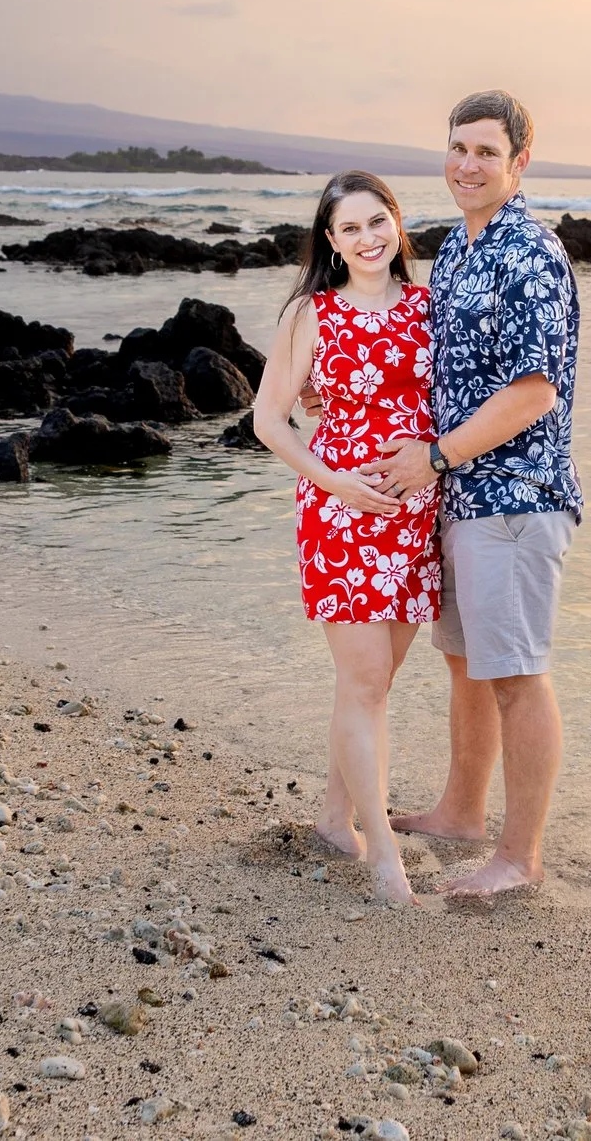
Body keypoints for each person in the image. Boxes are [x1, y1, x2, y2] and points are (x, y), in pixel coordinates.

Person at [365, 90, 582, 899]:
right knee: (465, 662)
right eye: (458, 146)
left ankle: (520, 857)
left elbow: (534, 392)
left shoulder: (529, 253)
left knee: (517, 672)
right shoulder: (458, 247)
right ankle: (461, 812)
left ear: (520, 162)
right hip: (461, 496)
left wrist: (436, 455)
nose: (467, 163)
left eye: (487, 151)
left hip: (514, 498)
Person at [250, 170, 440, 904]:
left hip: (415, 518)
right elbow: (270, 421)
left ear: (397, 222)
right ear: (330, 241)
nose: (367, 238)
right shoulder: (313, 314)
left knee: (373, 684)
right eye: (350, 228)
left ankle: (335, 817)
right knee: (364, 685)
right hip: (341, 516)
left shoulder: (428, 307)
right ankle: (383, 855)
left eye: (377, 221)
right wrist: (336, 482)